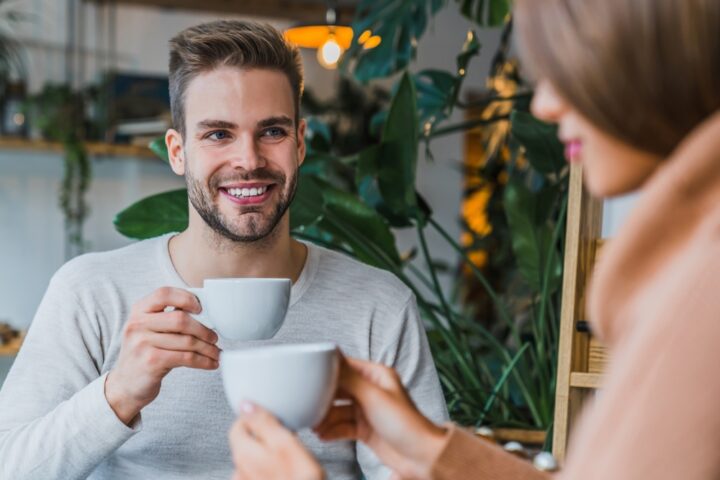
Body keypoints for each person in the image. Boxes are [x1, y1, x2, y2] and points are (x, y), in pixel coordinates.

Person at [227, 0, 720, 478]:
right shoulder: (685, 274)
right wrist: (430, 452)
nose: (545, 104)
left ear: (661, 61)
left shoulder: (702, 296)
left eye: (568, 72)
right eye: (219, 134)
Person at [0, 20, 448, 479]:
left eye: (271, 131)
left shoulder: (379, 307)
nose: (249, 160)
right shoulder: (91, 293)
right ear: (178, 151)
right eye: (218, 134)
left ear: (299, 143)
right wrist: (118, 394)